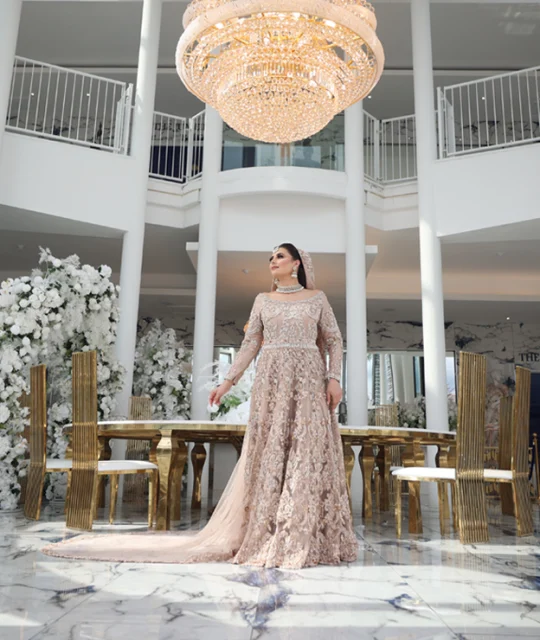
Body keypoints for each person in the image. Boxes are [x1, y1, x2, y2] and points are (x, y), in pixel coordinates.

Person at [43, 245, 358, 569]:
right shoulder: (263, 300)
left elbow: (334, 340)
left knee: (306, 451)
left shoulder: (316, 299)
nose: (272, 262)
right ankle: (270, 533)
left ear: (296, 263)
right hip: (272, 381)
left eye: (279, 256)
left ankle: (303, 534)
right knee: (271, 451)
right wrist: (228, 382)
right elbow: (251, 343)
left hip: (309, 381)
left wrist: (334, 378)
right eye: (270, 258)